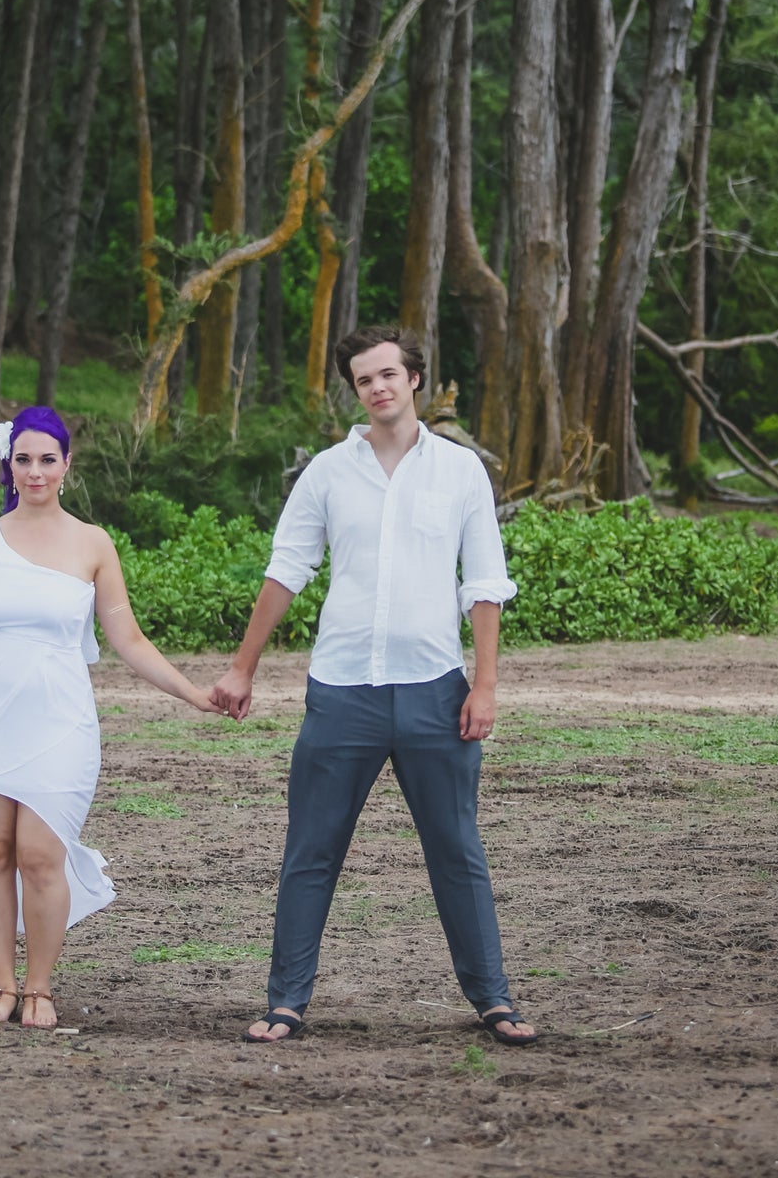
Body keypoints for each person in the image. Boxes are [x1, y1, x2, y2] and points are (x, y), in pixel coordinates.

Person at [211, 326, 536, 1047]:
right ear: (354, 390)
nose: (378, 387)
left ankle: (494, 1000)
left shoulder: (459, 472)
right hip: (342, 693)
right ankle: (284, 1002)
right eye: (364, 379)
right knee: (311, 851)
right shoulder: (328, 473)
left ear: (414, 379)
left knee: (455, 849)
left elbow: (482, 584)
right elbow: (286, 569)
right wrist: (242, 667)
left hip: (434, 692)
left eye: (389, 373)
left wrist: (483, 686)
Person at [0, 404, 218, 1028]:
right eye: (23, 460)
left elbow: (129, 640)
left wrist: (193, 693)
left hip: (59, 723)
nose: (35, 471)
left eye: (47, 460)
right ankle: (1, 987)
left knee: (42, 857)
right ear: (9, 465)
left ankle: (41, 989)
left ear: (66, 466)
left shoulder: (93, 543)